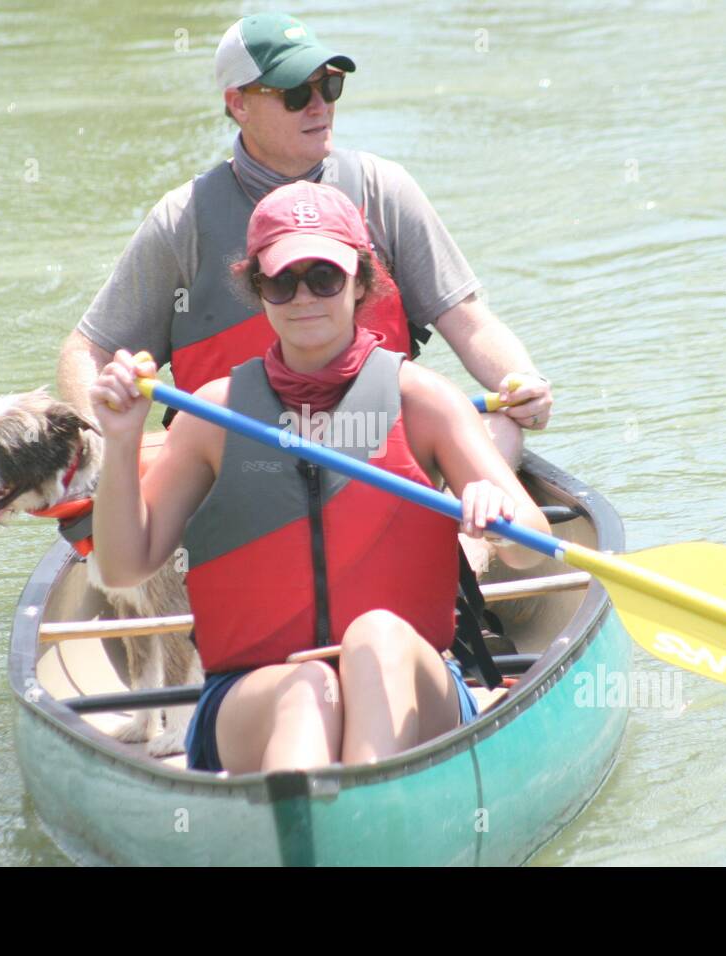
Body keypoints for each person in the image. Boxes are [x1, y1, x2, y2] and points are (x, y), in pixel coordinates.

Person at [86, 182, 552, 773]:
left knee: (377, 636)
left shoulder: (424, 401)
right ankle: (327, 821)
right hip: (255, 692)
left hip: (413, 677)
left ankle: (353, 811)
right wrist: (123, 441)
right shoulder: (214, 413)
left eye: (325, 277)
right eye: (283, 281)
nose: (304, 296)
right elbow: (126, 567)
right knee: (307, 688)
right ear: (259, 290)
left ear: (361, 282)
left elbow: (532, 550)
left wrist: (500, 519)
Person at [59, 11, 553, 470]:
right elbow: (88, 350)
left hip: (379, 452)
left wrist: (522, 382)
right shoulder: (181, 220)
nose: (319, 106)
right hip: (236, 470)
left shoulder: (385, 190)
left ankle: (470, 553)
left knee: (501, 427)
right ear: (238, 104)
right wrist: (97, 452)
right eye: (296, 93)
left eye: (329, 86)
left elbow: (466, 318)